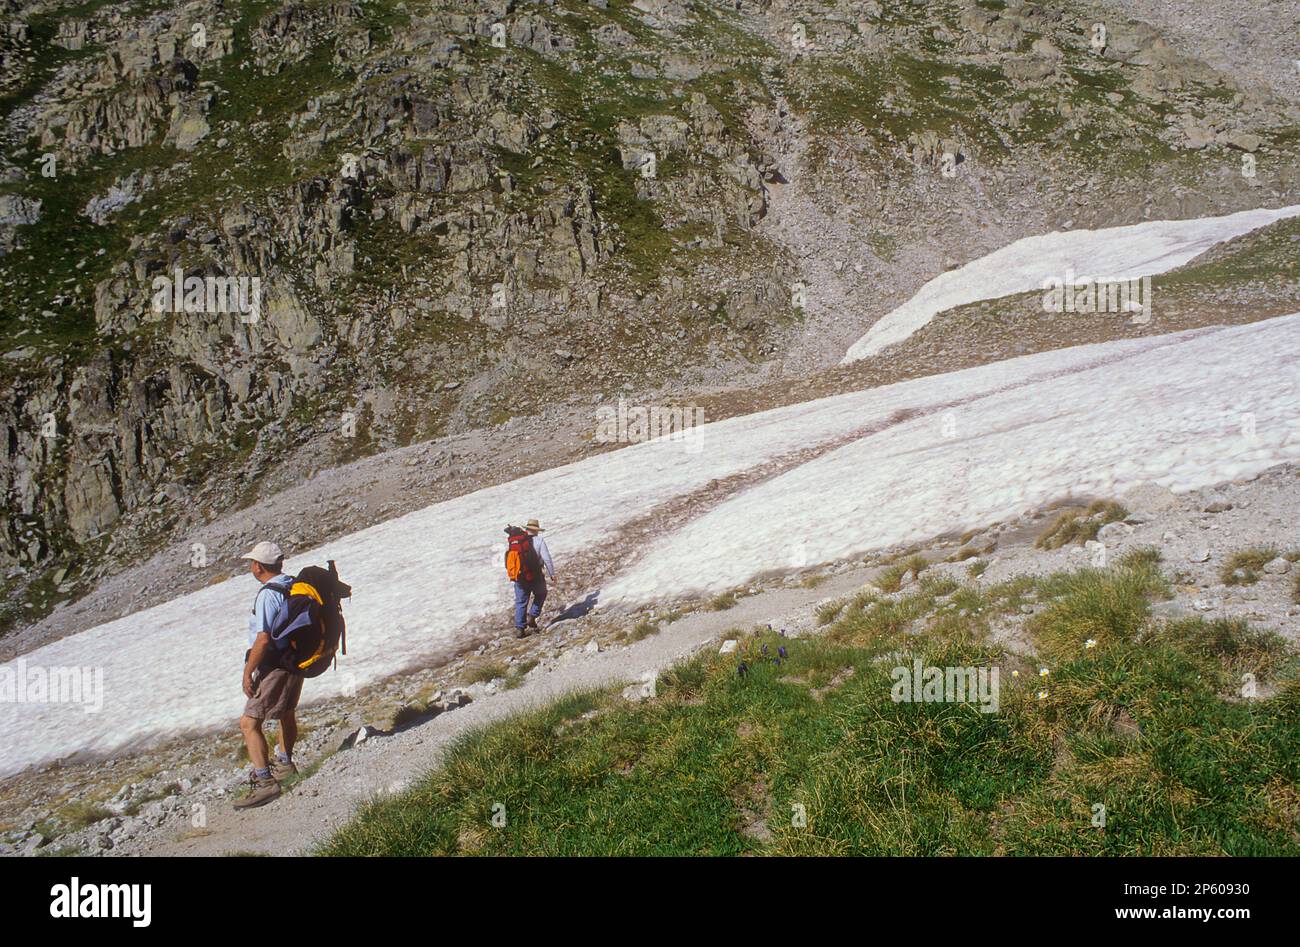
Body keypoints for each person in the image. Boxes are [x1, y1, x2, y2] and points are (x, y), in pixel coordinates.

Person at [233, 541, 301, 810]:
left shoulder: (267, 594)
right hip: (296, 661)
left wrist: (248, 672)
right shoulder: (293, 584)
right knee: (285, 712)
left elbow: (263, 639)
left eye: (252, 562)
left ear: (258, 566)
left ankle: (265, 783)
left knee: (248, 723)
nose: (251, 566)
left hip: (274, 665)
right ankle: (285, 765)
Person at [512, 518, 556, 635]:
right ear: (536, 530)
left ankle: (520, 629)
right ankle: (532, 616)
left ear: (527, 529)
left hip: (520, 577)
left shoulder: (516, 541)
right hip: (536, 575)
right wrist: (552, 573)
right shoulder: (539, 540)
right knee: (541, 594)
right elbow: (546, 558)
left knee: (521, 601)